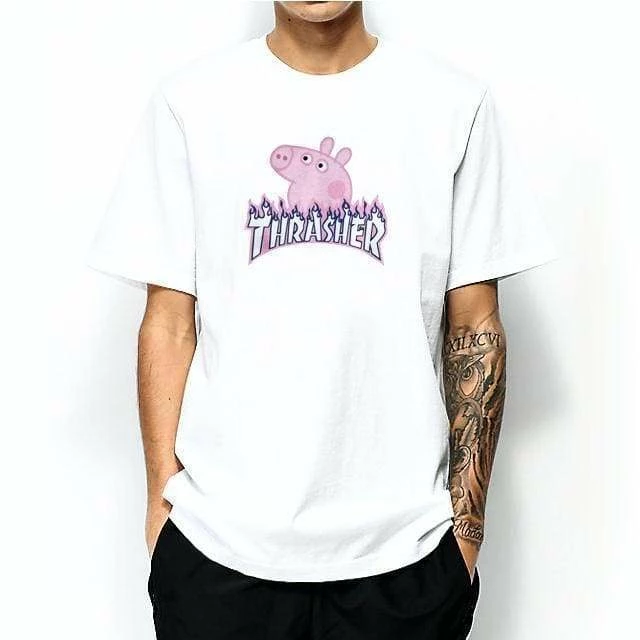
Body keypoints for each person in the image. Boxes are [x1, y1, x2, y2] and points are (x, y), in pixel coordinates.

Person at [86, 2, 556, 638]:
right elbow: (169, 323)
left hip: (407, 554)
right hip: (218, 551)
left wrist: (464, 534)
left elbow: (475, 324)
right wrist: (163, 517)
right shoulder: (190, 103)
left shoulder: (453, 104)